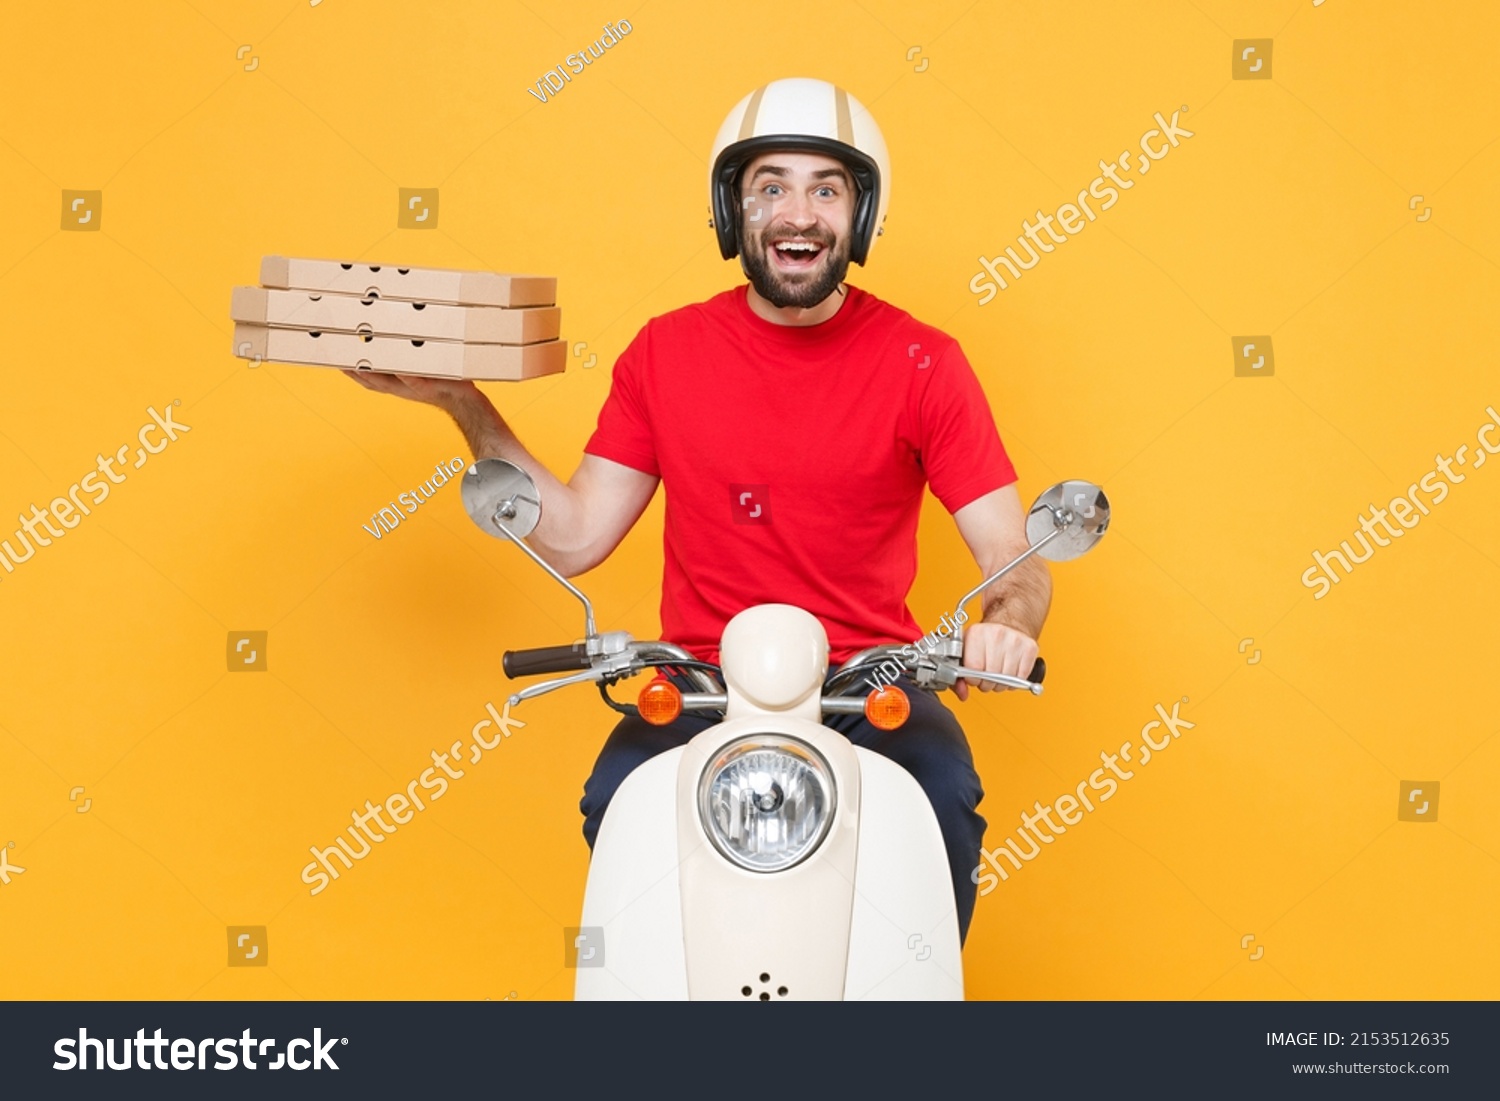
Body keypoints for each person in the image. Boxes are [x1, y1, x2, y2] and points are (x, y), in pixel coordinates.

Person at [343, 77, 1051, 943]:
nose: (799, 213)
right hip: (703, 688)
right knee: (616, 801)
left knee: (942, 798)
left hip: (872, 688)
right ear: (732, 211)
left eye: (826, 188)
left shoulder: (924, 363)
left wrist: (1006, 621)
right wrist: (462, 400)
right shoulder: (665, 353)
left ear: (861, 216)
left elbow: (1014, 553)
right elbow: (572, 539)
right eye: (770, 187)